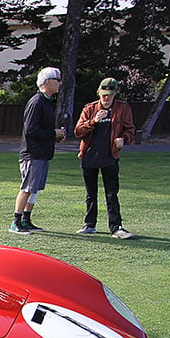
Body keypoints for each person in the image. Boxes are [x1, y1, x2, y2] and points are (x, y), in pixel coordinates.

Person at [73, 77, 136, 239]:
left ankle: (116, 227)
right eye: (103, 94)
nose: (106, 98)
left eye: (109, 94)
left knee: (111, 193)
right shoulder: (90, 108)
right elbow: (78, 131)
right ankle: (90, 224)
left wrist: (124, 139)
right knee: (90, 193)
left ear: (115, 93)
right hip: (89, 157)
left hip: (110, 156)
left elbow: (130, 130)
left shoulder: (123, 108)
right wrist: (93, 121)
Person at [12, 67, 65, 234]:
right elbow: (31, 130)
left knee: (35, 189)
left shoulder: (47, 103)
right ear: (47, 82)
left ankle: (26, 220)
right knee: (27, 187)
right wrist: (53, 133)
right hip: (32, 155)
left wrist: (55, 136)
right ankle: (16, 222)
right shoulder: (36, 102)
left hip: (42, 154)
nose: (59, 83)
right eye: (57, 80)